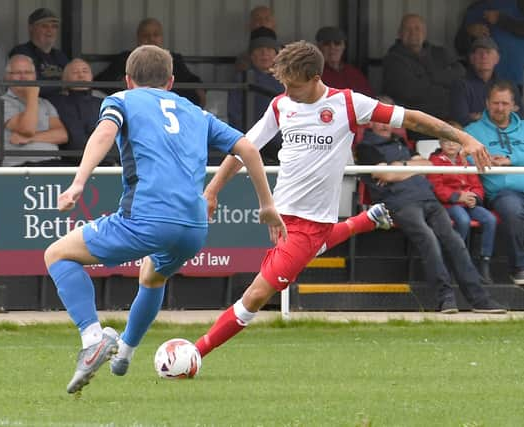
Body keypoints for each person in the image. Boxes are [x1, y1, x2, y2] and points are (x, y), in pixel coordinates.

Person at [193, 41, 502, 361]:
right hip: (283, 217)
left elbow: (413, 119)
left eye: (294, 86)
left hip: (311, 224)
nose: (288, 92)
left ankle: (196, 351)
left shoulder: (348, 103)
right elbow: (243, 147)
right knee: (285, 272)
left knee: (256, 296)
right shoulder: (280, 105)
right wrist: (212, 190)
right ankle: (366, 220)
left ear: (315, 78)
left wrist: (464, 137)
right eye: (283, 85)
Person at [43, 44, 286, 394]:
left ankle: (93, 338)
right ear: (171, 82)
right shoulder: (195, 111)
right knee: (153, 276)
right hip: (194, 227)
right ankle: (124, 354)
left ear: (127, 79)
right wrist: (266, 203)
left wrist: (79, 182)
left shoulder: (122, 100)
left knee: (57, 254)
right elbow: (248, 147)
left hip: (147, 218)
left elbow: (104, 133)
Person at [355, 95, 505, 314]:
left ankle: (480, 300)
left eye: (387, 118)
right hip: (399, 204)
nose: (383, 123)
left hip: (427, 198)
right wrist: (406, 166)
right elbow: (384, 173)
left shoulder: (399, 142)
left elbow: (427, 163)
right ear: (370, 120)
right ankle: (445, 300)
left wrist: (399, 167)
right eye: (379, 118)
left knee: (455, 241)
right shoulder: (365, 147)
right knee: (428, 240)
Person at [465, 80, 524, 285]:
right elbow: (465, 157)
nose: (500, 108)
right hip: (502, 193)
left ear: (514, 105)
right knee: (512, 209)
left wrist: (511, 159)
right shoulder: (472, 131)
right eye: (496, 103)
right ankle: (519, 269)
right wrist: (486, 160)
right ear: (487, 103)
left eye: (505, 104)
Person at [427, 121, 497, 284]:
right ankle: (457, 261)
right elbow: (436, 187)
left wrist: (474, 197)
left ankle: (483, 262)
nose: (451, 145)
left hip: (468, 203)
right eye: (446, 141)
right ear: (440, 142)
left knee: (490, 219)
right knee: (463, 220)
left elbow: (477, 185)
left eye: (455, 141)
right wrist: (458, 196)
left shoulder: (465, 161)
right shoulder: (435, 161)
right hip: (449, 204)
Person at [95, 18, 205, 107]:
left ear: (161, 38)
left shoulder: (173, 59)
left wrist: (200, 92)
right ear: (138, 38)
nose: (151, 39)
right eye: (146, 35)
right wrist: (122, 84)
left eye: (156, 35)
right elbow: (100, 82)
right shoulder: (125, 59)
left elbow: (193, 82)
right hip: (135, 107)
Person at [382, 14, 465, 126]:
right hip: (414, 124)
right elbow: (410, 92)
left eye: (417, 28)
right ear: (399, 33)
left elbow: (460, 72)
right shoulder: (393, 59)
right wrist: (446, 89)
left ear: (425, 33)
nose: (413, 33)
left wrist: (434, 76)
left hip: (447, 120)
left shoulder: (440, 52)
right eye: (408, 29)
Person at [0, 54, 68, 166]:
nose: (23, 77)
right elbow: (27, 129)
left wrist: (30, 139)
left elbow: (62, 135)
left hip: (52, 163)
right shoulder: (1, 102)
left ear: (35, 76)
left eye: (28, 73)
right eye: (17, 73)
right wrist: (32, 95)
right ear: (7, 77)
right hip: (20, 165)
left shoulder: (45, 103)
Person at [227, 27, 284, 164]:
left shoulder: (285, 80)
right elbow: (234, 114)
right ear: (251, 56)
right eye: (259, 50)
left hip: (282, 143)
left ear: (276, 55)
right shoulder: (242, 78)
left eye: (269, 50)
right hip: (251, 142)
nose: (264, 54)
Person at [46, 58, 116, 166]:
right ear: (65, 79)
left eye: (85, 71)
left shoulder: (104, 103)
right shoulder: (54, 102)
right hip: (68, 164)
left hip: (106, 163)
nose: (81, 75)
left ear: (91, 77)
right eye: (75, 72)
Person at [455, 0, 524, 88]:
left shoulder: (519, 3)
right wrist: (468, 32)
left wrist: (501, 20)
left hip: (512, 81)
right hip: (479, 83)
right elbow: (459, 48)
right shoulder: (473, 9)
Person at [9, 8, 69, 98]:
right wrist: (62, 87)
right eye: (44, 26)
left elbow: (72, 81)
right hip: (36, 105)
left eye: (54, 26)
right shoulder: (21, 53)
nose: (50, 31)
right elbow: (29, 87)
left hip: (63, 104)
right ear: (31, 28)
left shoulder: (60, 56)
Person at [315, 26, 374, 96]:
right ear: (318, 47)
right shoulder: (312, 73)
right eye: (326, 44)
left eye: (337, 43)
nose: (332, 47)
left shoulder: (353, 73)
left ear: (343, 46)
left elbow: (368, 97)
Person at [235, 5, 277, 72]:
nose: (262, 22)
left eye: (267, 19)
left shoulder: (288, 56)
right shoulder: (244, 59)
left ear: (274, 24)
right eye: (257, 19)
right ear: (250, 24)